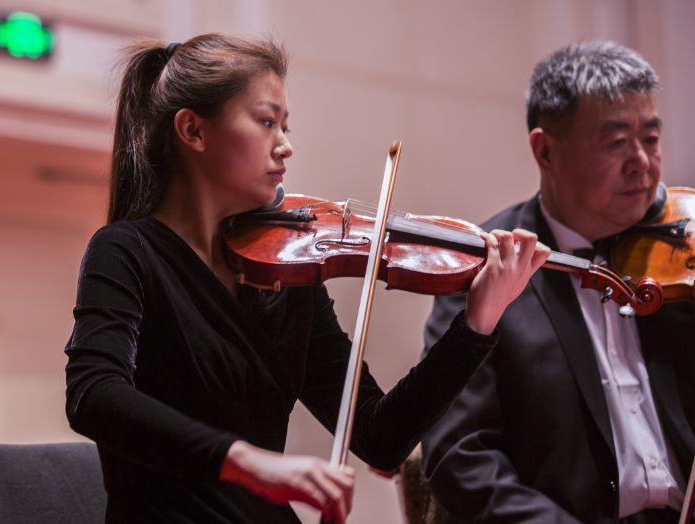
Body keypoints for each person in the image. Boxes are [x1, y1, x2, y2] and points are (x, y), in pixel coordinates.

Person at [64, 33, 548, 524]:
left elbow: (381, 439)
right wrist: (249, 464)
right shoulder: (126, 252)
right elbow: (93, 395)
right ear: (193, 130)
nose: (286, 146)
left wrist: (476, 323)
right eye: (267, 122)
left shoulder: (287, 277)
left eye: (285, 126)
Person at [421, 41, 695, 524]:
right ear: (545, 150)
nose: (643, 164)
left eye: (650, 140)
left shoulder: (680, 260)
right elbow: (459, 454)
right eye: (616, 144)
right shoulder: (486, 272)